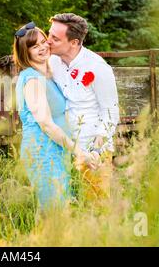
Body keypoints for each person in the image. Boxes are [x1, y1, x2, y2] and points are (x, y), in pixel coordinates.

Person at [13, 21, 98, 213]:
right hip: (43, 151)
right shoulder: (32, 79)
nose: (43, 47)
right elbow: (46, 124)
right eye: (35, 46)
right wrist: (79, 151)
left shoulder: (46, 75)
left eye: (44, 41)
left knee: (57, 210)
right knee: (55, 212)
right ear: (25, 52)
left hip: (55, 150)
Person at [47, 13, 120, 200]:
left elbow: (110, 113)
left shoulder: (97, 67)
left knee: (95, 210)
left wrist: (95, 151)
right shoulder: (52, 61)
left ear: (74, 42)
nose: (48, 41)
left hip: (92, 151)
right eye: (49, 34)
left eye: (55, 38)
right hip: (64, 149)